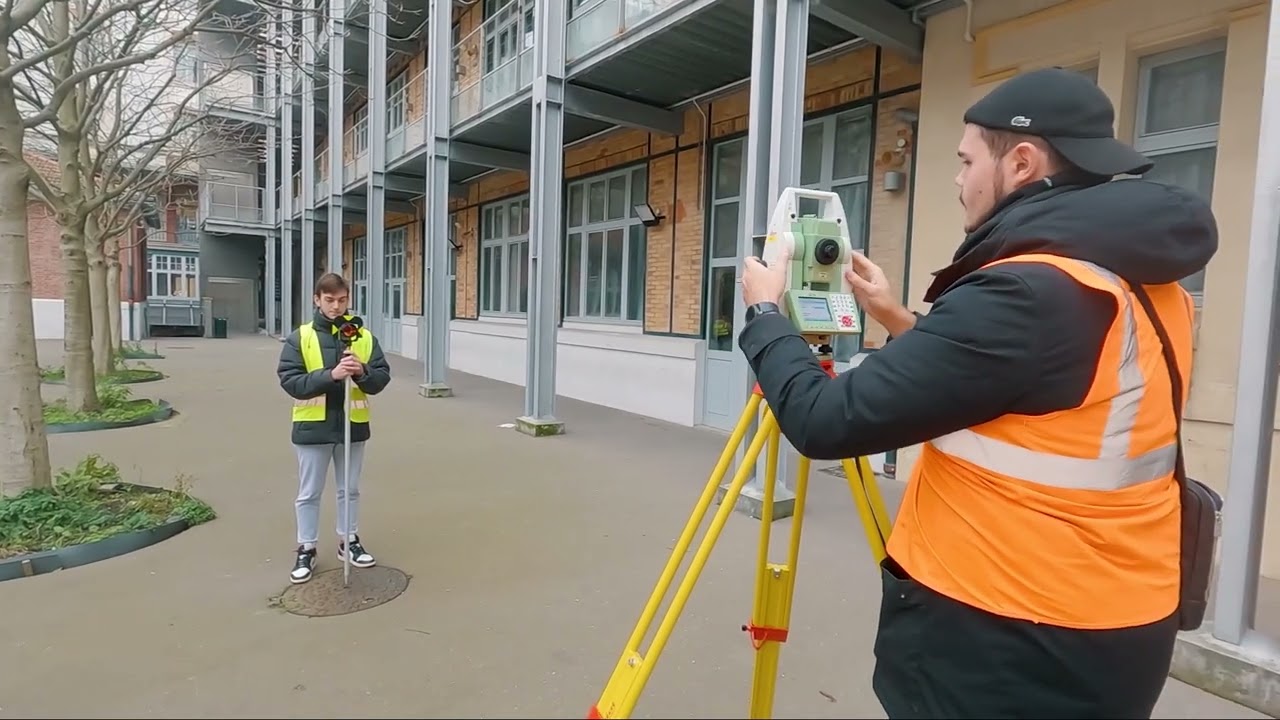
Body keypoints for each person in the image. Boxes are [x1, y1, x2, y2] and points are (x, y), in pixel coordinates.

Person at [736, 67, 1218, 718]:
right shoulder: (1143, 285)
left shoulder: (1028, 291)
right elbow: (1024, 385)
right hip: (1118, 616)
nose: (959, 181)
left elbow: (825, 420)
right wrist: (897, 317)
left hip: (1014, 637)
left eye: (966, 161)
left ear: (1020, 162)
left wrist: (766, 316)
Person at [277, 272, 392, 585]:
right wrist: (332, 375)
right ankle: (307, 547)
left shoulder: (363, 337)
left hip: (351, 428)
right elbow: (290, 381)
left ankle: (348, 540)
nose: (336, 307)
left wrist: (363, 371)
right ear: (317, 299)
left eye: (342, 300)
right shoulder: (300, 337)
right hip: (312, 429)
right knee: (309, 493)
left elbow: (381, 379)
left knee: (349, 490)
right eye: (329, 300)